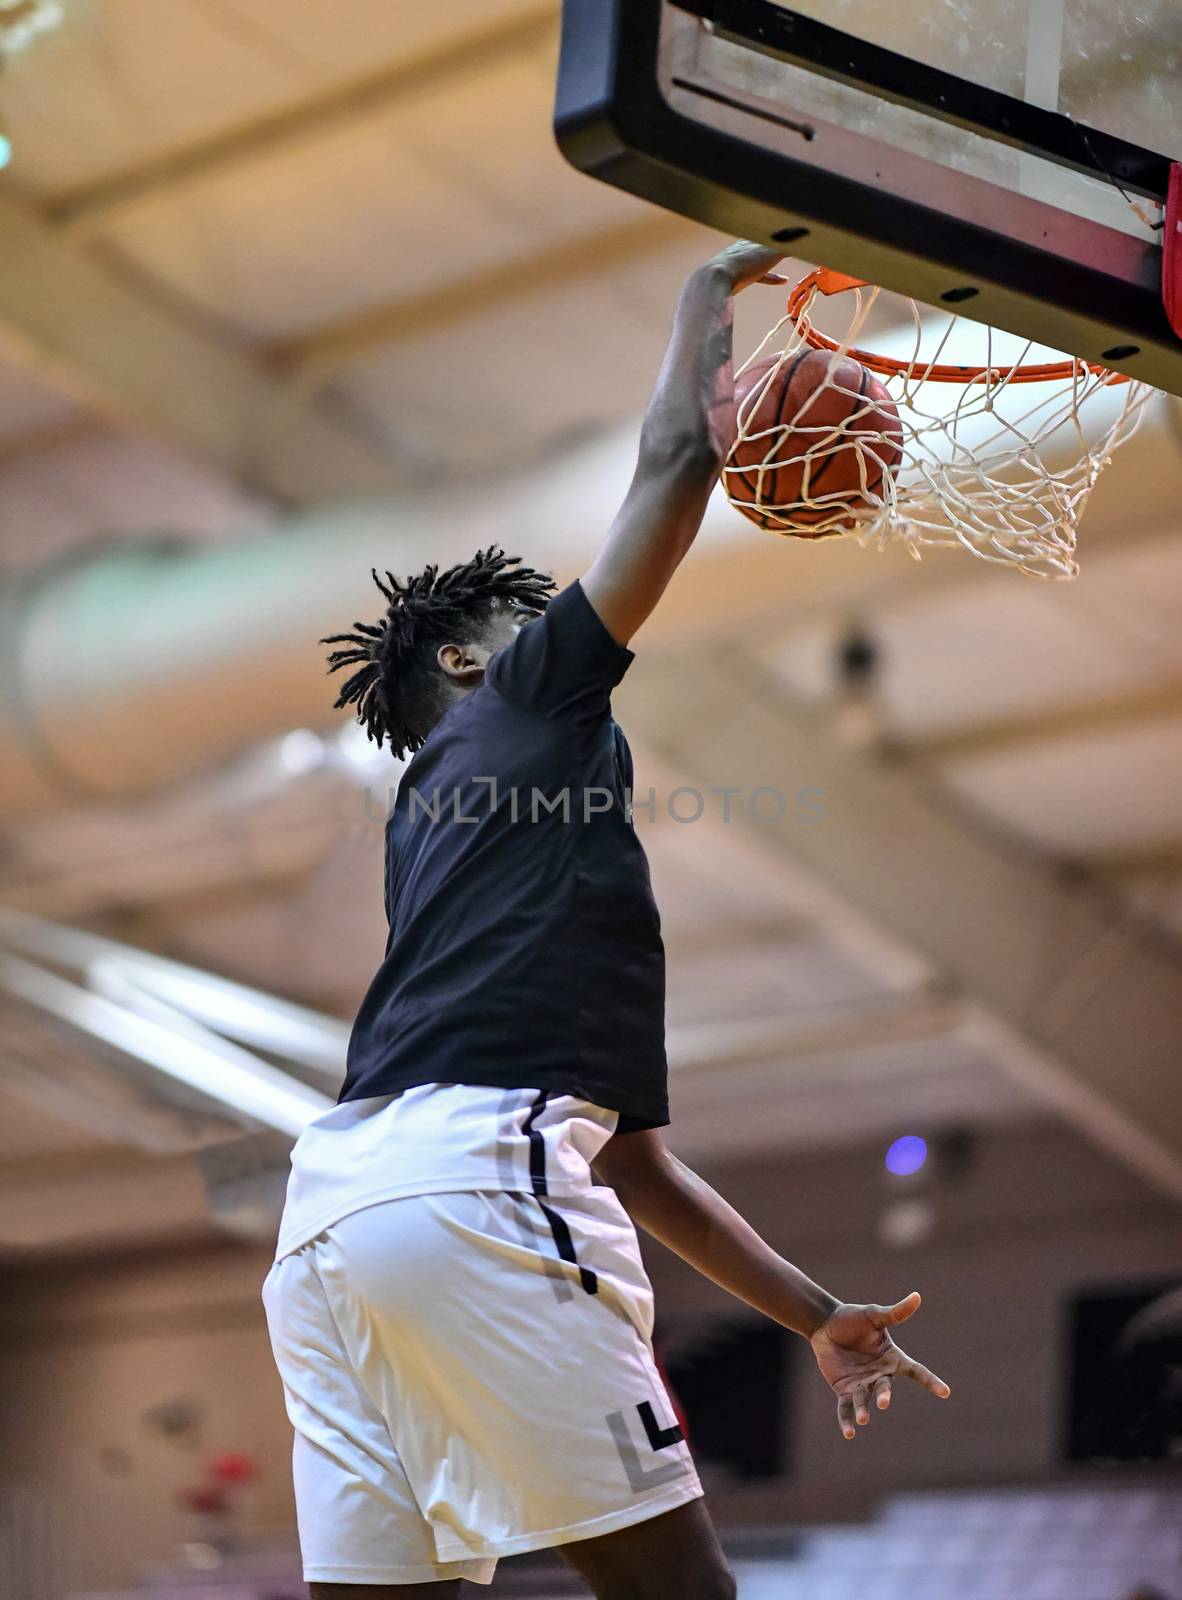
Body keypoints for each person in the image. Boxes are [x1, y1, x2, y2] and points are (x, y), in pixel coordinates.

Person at [262, 241, 951, 1600]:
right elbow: (671, 467)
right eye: (534, 617)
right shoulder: (519, 712)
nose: (571, 623)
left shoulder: (447, 833)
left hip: (332, 1221)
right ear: (470, 662)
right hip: (471, 1181)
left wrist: (817, 1318)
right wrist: (712, 290)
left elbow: (637, 1174)